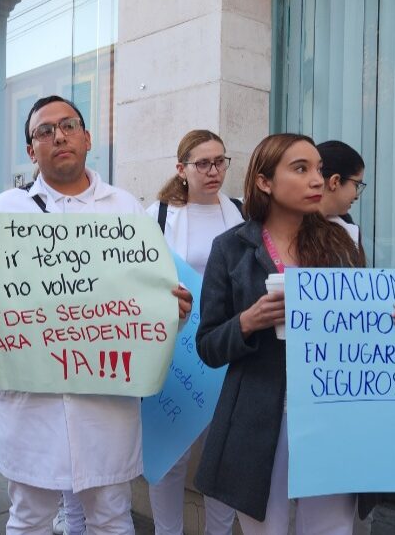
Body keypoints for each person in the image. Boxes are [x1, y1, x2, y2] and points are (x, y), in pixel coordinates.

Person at [0, 95, 193, 534]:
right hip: (31, 400)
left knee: (112, 516)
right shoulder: (5, 211)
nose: (58, 135)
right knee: (28, 517)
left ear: (87, 137)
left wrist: (175, 310)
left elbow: (153, 300)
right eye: (44, 130)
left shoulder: (125, 210)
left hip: (106, 400)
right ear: (30, 149)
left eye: (69, 125)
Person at [193, 134, 395, 535]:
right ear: (264, 182)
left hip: (334, 415)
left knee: (330, 530)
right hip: (257, 420)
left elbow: (365, 325)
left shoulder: (340, 244)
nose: (317, 179)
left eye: (319, 169)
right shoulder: (230, 249)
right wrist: (247, 322)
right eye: (301, 169)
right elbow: (208, 346)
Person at [144, 129, 242, 535]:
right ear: (181, 169)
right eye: (203, 163)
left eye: (220, 161)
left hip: (228, 344)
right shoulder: (159, 214)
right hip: (177, 348)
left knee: (224, 456)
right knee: (172, 455)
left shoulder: (241, 210)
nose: (214, 170)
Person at [316, 140, 365, 244]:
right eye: (357, 185)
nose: (357, 196)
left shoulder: (347, 226)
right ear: (335, 181)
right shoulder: (291, 227)